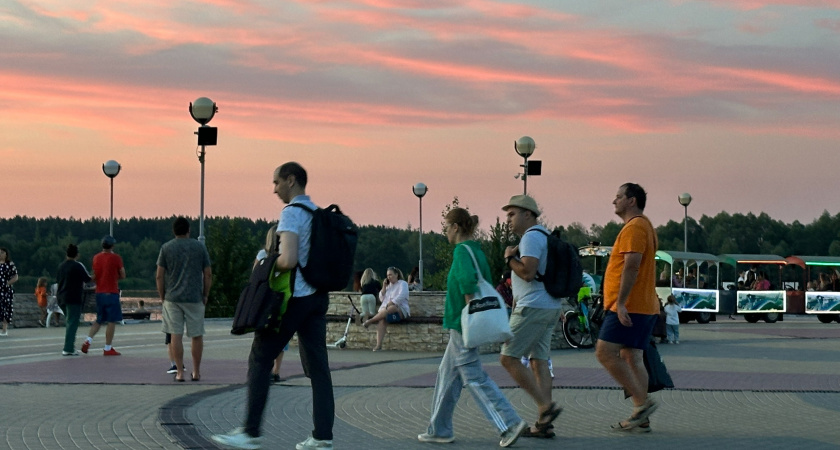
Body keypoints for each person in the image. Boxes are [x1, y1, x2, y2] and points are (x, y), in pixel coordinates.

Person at [212, 162, 335, 450]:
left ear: (291, 180)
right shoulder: (318, 214)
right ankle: (322, 436)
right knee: (319, 370)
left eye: (276, 182)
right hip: (318, 299)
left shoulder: (291, 213)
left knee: (260, 358)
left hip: (294, 298)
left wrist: (266, 263)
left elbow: (289, 259)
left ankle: (250, 432)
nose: (274, 189)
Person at [418, 207, 527, 447]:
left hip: (462, 323)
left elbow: (467, 281)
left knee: (474, 377)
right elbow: (486, 282)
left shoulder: (461, 252)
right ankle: (440, 429)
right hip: (464, 324)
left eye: (446, 226)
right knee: (447, 376)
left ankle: (509, 422)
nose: (445, 231)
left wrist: (472, 311)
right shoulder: (477, 251)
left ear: (456, 227)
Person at [594, 183, 660, 432]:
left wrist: (620, 303)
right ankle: (641, 417)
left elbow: (632, 266)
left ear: (631, 201)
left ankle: (642, 404)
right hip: (643, 305)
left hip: (630, 306)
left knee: (604, 353)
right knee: (632, 356)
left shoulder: (635, 227)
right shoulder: (644, 226)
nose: (614, 201)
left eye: (619, 197)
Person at [499, 195, 564, 438]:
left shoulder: (531, 237)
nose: (508, 219)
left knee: (508, 357)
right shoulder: (544, 236)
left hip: (533, 307)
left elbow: (527, 272)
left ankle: (546, 407)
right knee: (539, 361)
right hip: (549, 306)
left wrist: (509, 258)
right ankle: (543, 423)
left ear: (528, 214)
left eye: (512, 214)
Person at [156, 217, 212, 382]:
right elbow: (208, 273)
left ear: (174, 231)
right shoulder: (199, 247)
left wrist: (162, 297)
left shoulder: (166, 248)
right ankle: (196, 371)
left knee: (176, 335)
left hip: (172, 298)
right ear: (188, 230)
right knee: (196, 335)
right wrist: (205, 294)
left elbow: (159, 276)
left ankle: (179, 372)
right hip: (194, 297)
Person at [254, 224, 291, 384]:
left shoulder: (263, 254)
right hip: (281, 297)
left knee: (264, 333)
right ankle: (276, 370)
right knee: (280, 333)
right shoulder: (285, 256)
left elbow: (255, 275)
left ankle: (265, 369)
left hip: (264, 298)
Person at [81, 236, 126, 355]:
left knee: (99, 320)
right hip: (111, 292)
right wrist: (115, 277)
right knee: (111, 321)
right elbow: (123, 274)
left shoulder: (96, 257)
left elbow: (95, 275)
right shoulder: (116, 258)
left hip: (99, 293)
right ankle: (107, 348)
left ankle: (88, 340)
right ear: (112, 246)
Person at [363, 266, 410, 351]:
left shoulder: (402, 283)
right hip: (387, 310)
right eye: (388, 275)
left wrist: (392, 302)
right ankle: (378, 345)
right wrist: (384, 287)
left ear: (396, 275)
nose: (389, 277)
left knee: (391, 307)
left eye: (391, 275)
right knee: (382, 320)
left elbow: (402, 295)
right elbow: (381, 298)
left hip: (400, 309)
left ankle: (370, 321)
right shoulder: (388, 286)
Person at [56, 244, 92, 355]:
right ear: (77, 255)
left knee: (69, 321)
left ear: (66, 254)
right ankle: (68, 348)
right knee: (72, 323)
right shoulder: (77, 266)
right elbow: (88, 279)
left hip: (61, 297)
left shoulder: (61, 266)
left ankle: (69, 346)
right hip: (73, 297)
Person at [0, 248, 17, 336]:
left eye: (2, 252)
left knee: (6, 308)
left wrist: (7, 283)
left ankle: (4, 329)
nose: (0, 254)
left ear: (6, 254)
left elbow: (15, 276)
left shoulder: (10, 264)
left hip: (6, 290)